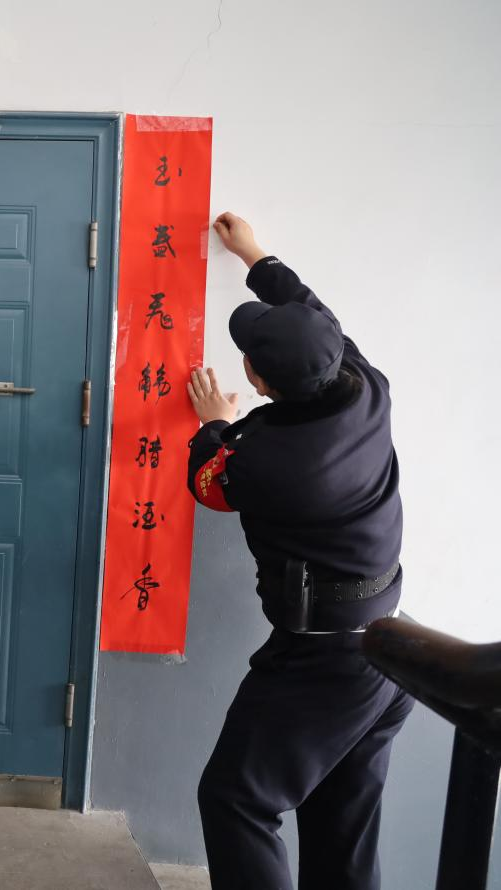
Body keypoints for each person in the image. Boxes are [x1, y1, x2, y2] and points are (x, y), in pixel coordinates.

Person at [185, 212, 413, 890]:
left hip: (323, 661)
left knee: (236, 799)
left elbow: (208, 487)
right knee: (339, 821)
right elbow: (308, 306)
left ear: (257, 381)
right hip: (388, 649)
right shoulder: (365, 385)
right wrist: (252, 253)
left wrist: (213, 426)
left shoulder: (270, 463)